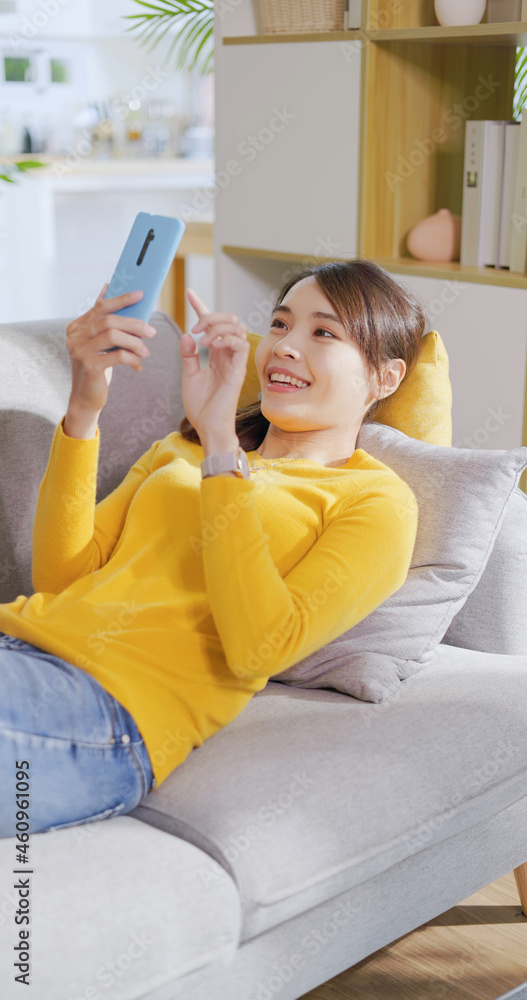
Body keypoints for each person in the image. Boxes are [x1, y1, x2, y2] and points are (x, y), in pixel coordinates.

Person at [0, 258, 422, 838]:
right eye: (279, 324)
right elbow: (60, 577)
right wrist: (85, 406)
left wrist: (223, 443)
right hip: (20, 644)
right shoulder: (182, 449)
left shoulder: (376, 501)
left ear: (386, 378)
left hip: (112, 707)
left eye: (323, 332)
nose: (286, 346)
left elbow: (260, 648)